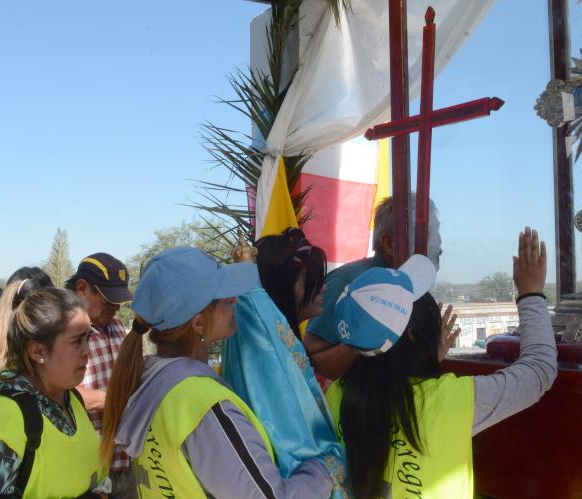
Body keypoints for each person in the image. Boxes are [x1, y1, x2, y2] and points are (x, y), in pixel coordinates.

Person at [326, 228, 556, 498]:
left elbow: (385, 386)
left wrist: (421, 360)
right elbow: (539, 370)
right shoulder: (451, 401)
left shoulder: (335, 394)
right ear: (412, 333)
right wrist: (530, 294)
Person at [101, 247, 333, 498]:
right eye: (222, 297)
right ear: (198, 323)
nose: (234, 299)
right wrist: (323, 470)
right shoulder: (203, 404)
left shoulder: (150, 380)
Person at [222, 230, 347, 496]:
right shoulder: (265, 351)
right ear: (282, 287)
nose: (323, 288)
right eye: (312, 281)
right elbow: (293, 444)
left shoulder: (275, 341)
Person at [0, 282, 107, 498]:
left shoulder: (71, 399)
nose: (86, 351)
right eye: (76, 341)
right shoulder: (6, 416)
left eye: (88, 338)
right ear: (38, 351)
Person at [305, 196, 441, 379]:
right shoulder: (348, 283)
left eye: (436, 231)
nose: (437, 244)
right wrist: (363, 335)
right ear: (390, 243)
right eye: (426, 234)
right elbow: (311, 361)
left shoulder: (410, 288)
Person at [65, 253, 134, 490]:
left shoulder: (115, 326)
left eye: (118, 301)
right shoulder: (63, 331)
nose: (115, 307)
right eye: (108, 299)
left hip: (124, 463)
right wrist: (120, 400)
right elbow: (64, 395)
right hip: (86, 470)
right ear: (82, 288)